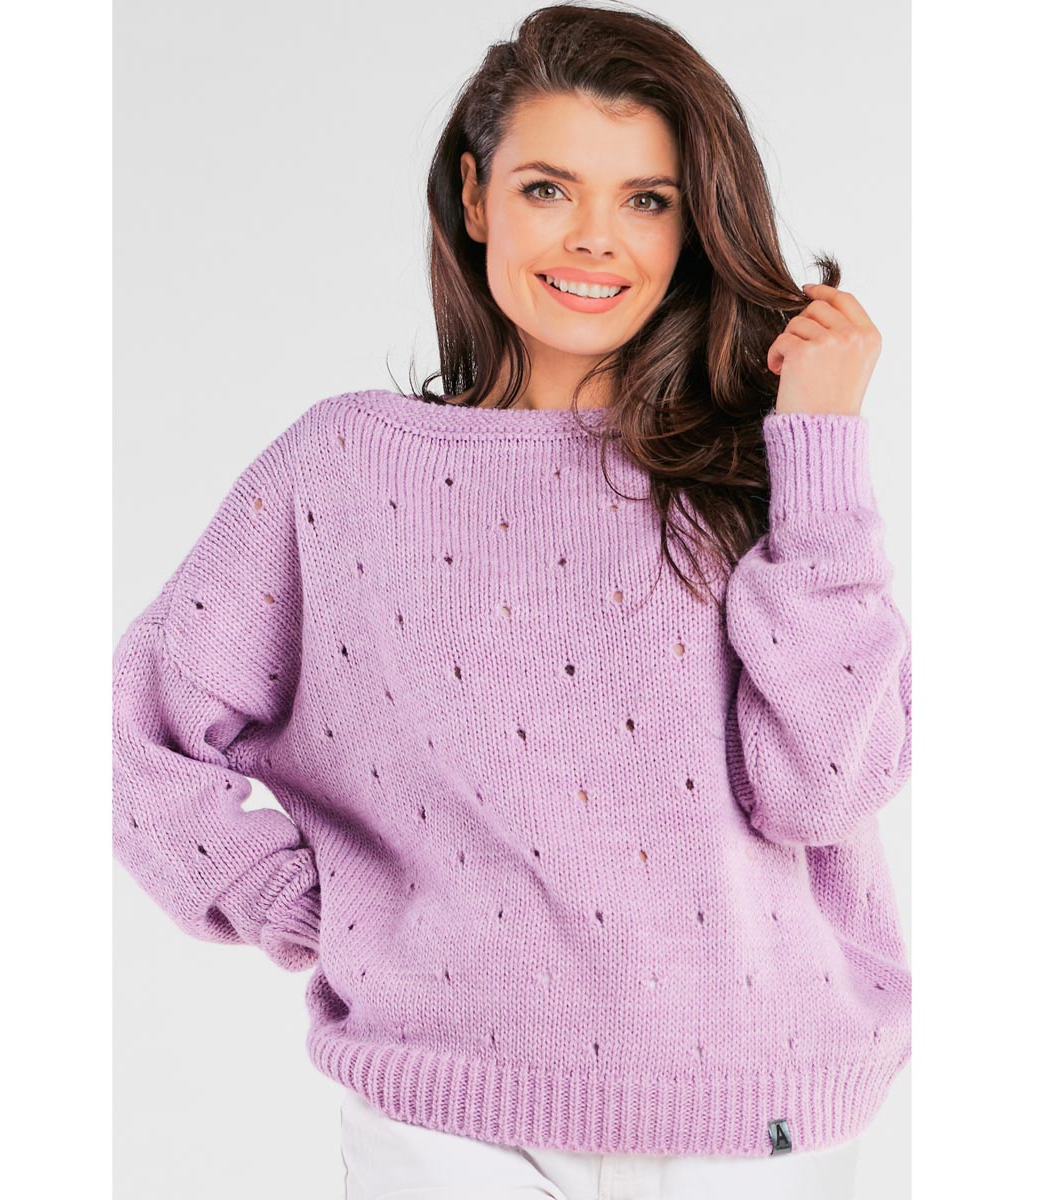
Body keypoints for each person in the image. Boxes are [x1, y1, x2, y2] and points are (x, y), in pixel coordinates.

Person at [112, 4, 911, 1198]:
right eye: (549, 188)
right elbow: (138, 738)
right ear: (477, 198)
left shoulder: (762, 473)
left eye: (647, 199)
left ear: (694, 225)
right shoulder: (345, 468)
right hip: (448, 1118)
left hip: (762, 1116)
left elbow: (826, 789)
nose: (595, 238)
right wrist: (312, 911)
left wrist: (820, 448)